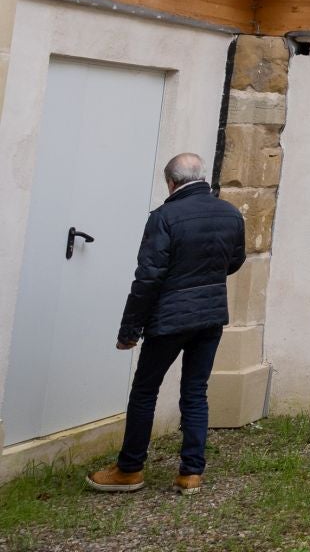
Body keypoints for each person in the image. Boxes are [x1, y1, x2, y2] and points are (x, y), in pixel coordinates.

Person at [85, 153, 247, 495]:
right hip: (211, 316)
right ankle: (191, 473)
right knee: (195, 391)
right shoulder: (231, 213)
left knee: (145, 391)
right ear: (200, 177)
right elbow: (234, 261)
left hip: (170, 319)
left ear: (171, 183)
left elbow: (148, 279)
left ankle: (129, 470)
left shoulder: (165, 217)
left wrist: (129, 331)